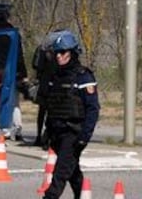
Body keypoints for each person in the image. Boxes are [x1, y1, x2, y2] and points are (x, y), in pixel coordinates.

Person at [41, 30, 100, 199]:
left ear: (72, 53)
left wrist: (84, 136)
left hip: (74, 133)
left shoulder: (83, 77)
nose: (59, 56)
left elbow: (93, 109)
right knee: (73, 172)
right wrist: (47, 130)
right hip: (57, 132)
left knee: (59, 174)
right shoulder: (56, 76)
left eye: (63, 52)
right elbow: (51, 106)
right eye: (56, 52)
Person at [31, 35, 58, 147]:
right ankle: (48, 137)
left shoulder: (42, 48)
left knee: (42, 112)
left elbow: (36, 65)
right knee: (53, 112)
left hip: (44, 83)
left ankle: (38, 136)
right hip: (55, 83)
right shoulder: (60, 51)